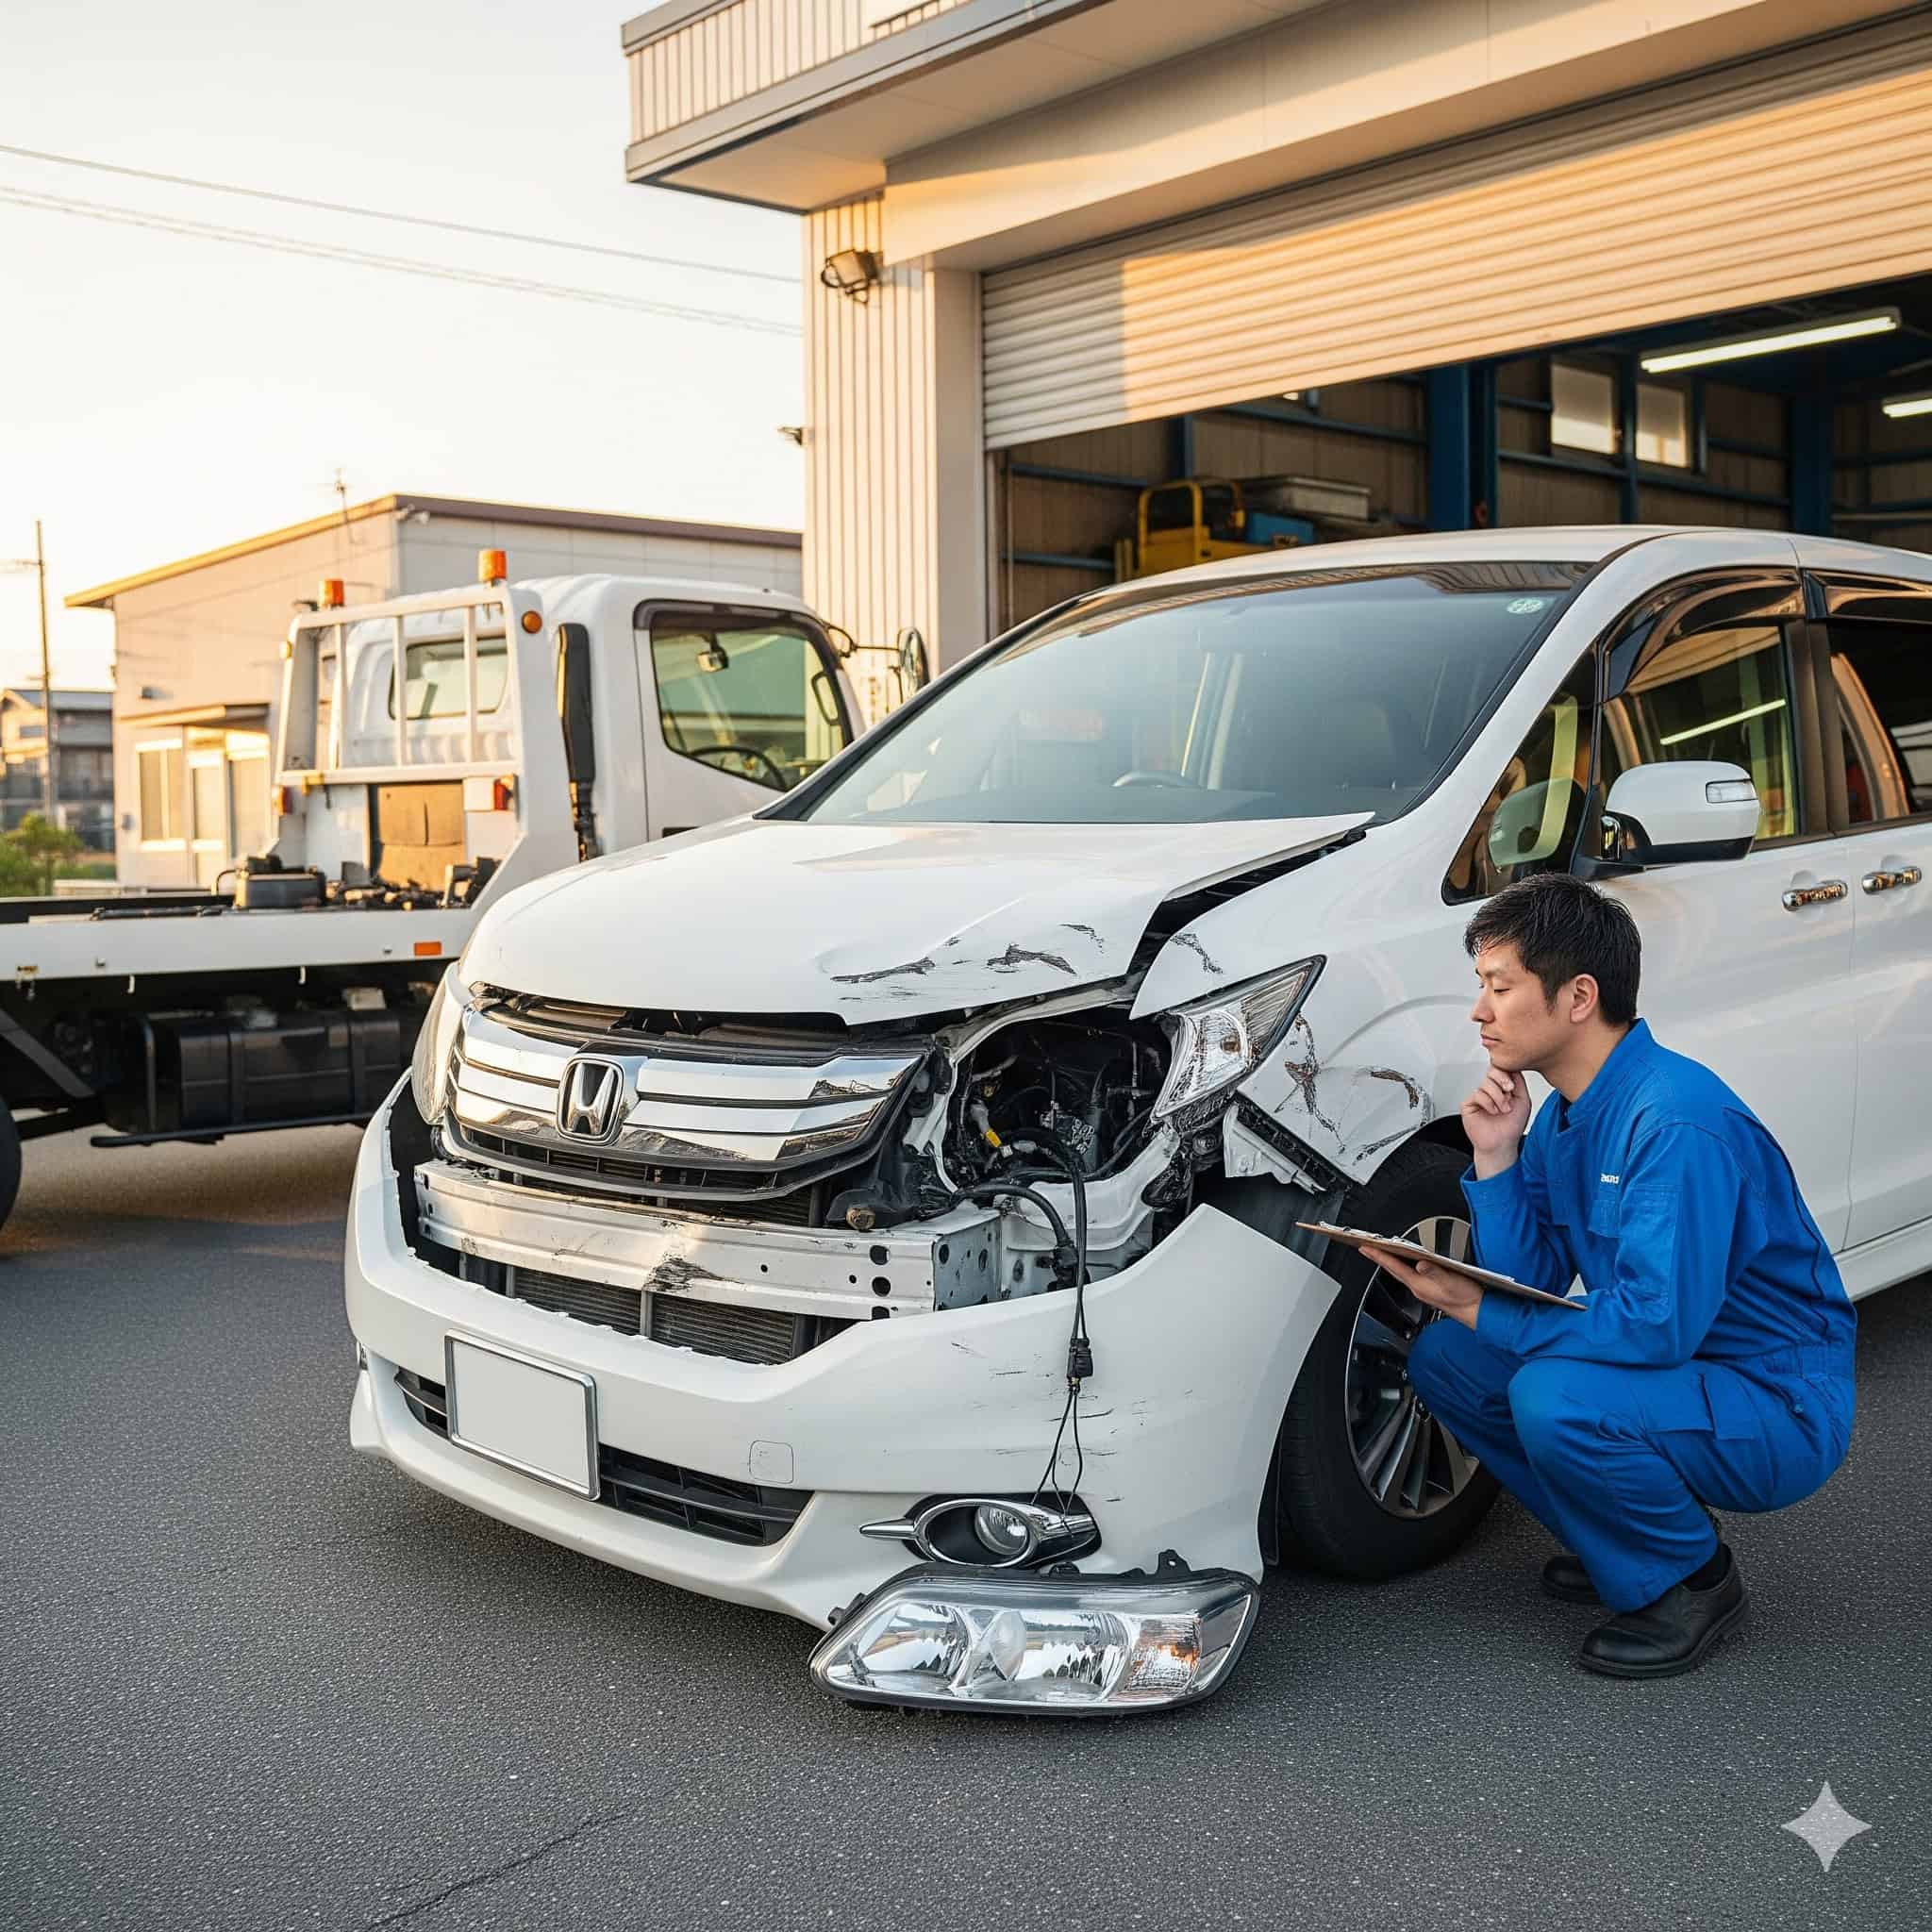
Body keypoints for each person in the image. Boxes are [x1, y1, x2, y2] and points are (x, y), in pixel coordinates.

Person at [1364, 874, 1856, 1678]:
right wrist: (1497, 1156)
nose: (1479, 1011)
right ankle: (1626, 1542)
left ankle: (1692, 1580)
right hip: (1682, 1372)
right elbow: (1531, 1277)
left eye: (1500, 987)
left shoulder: (1675, 1124)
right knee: (1449, 1360)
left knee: (1553, 1395)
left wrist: (1479, 1307)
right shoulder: (1565, 1114)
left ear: (1578, 997)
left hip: (1778, 1403)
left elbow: (1655, 1327)